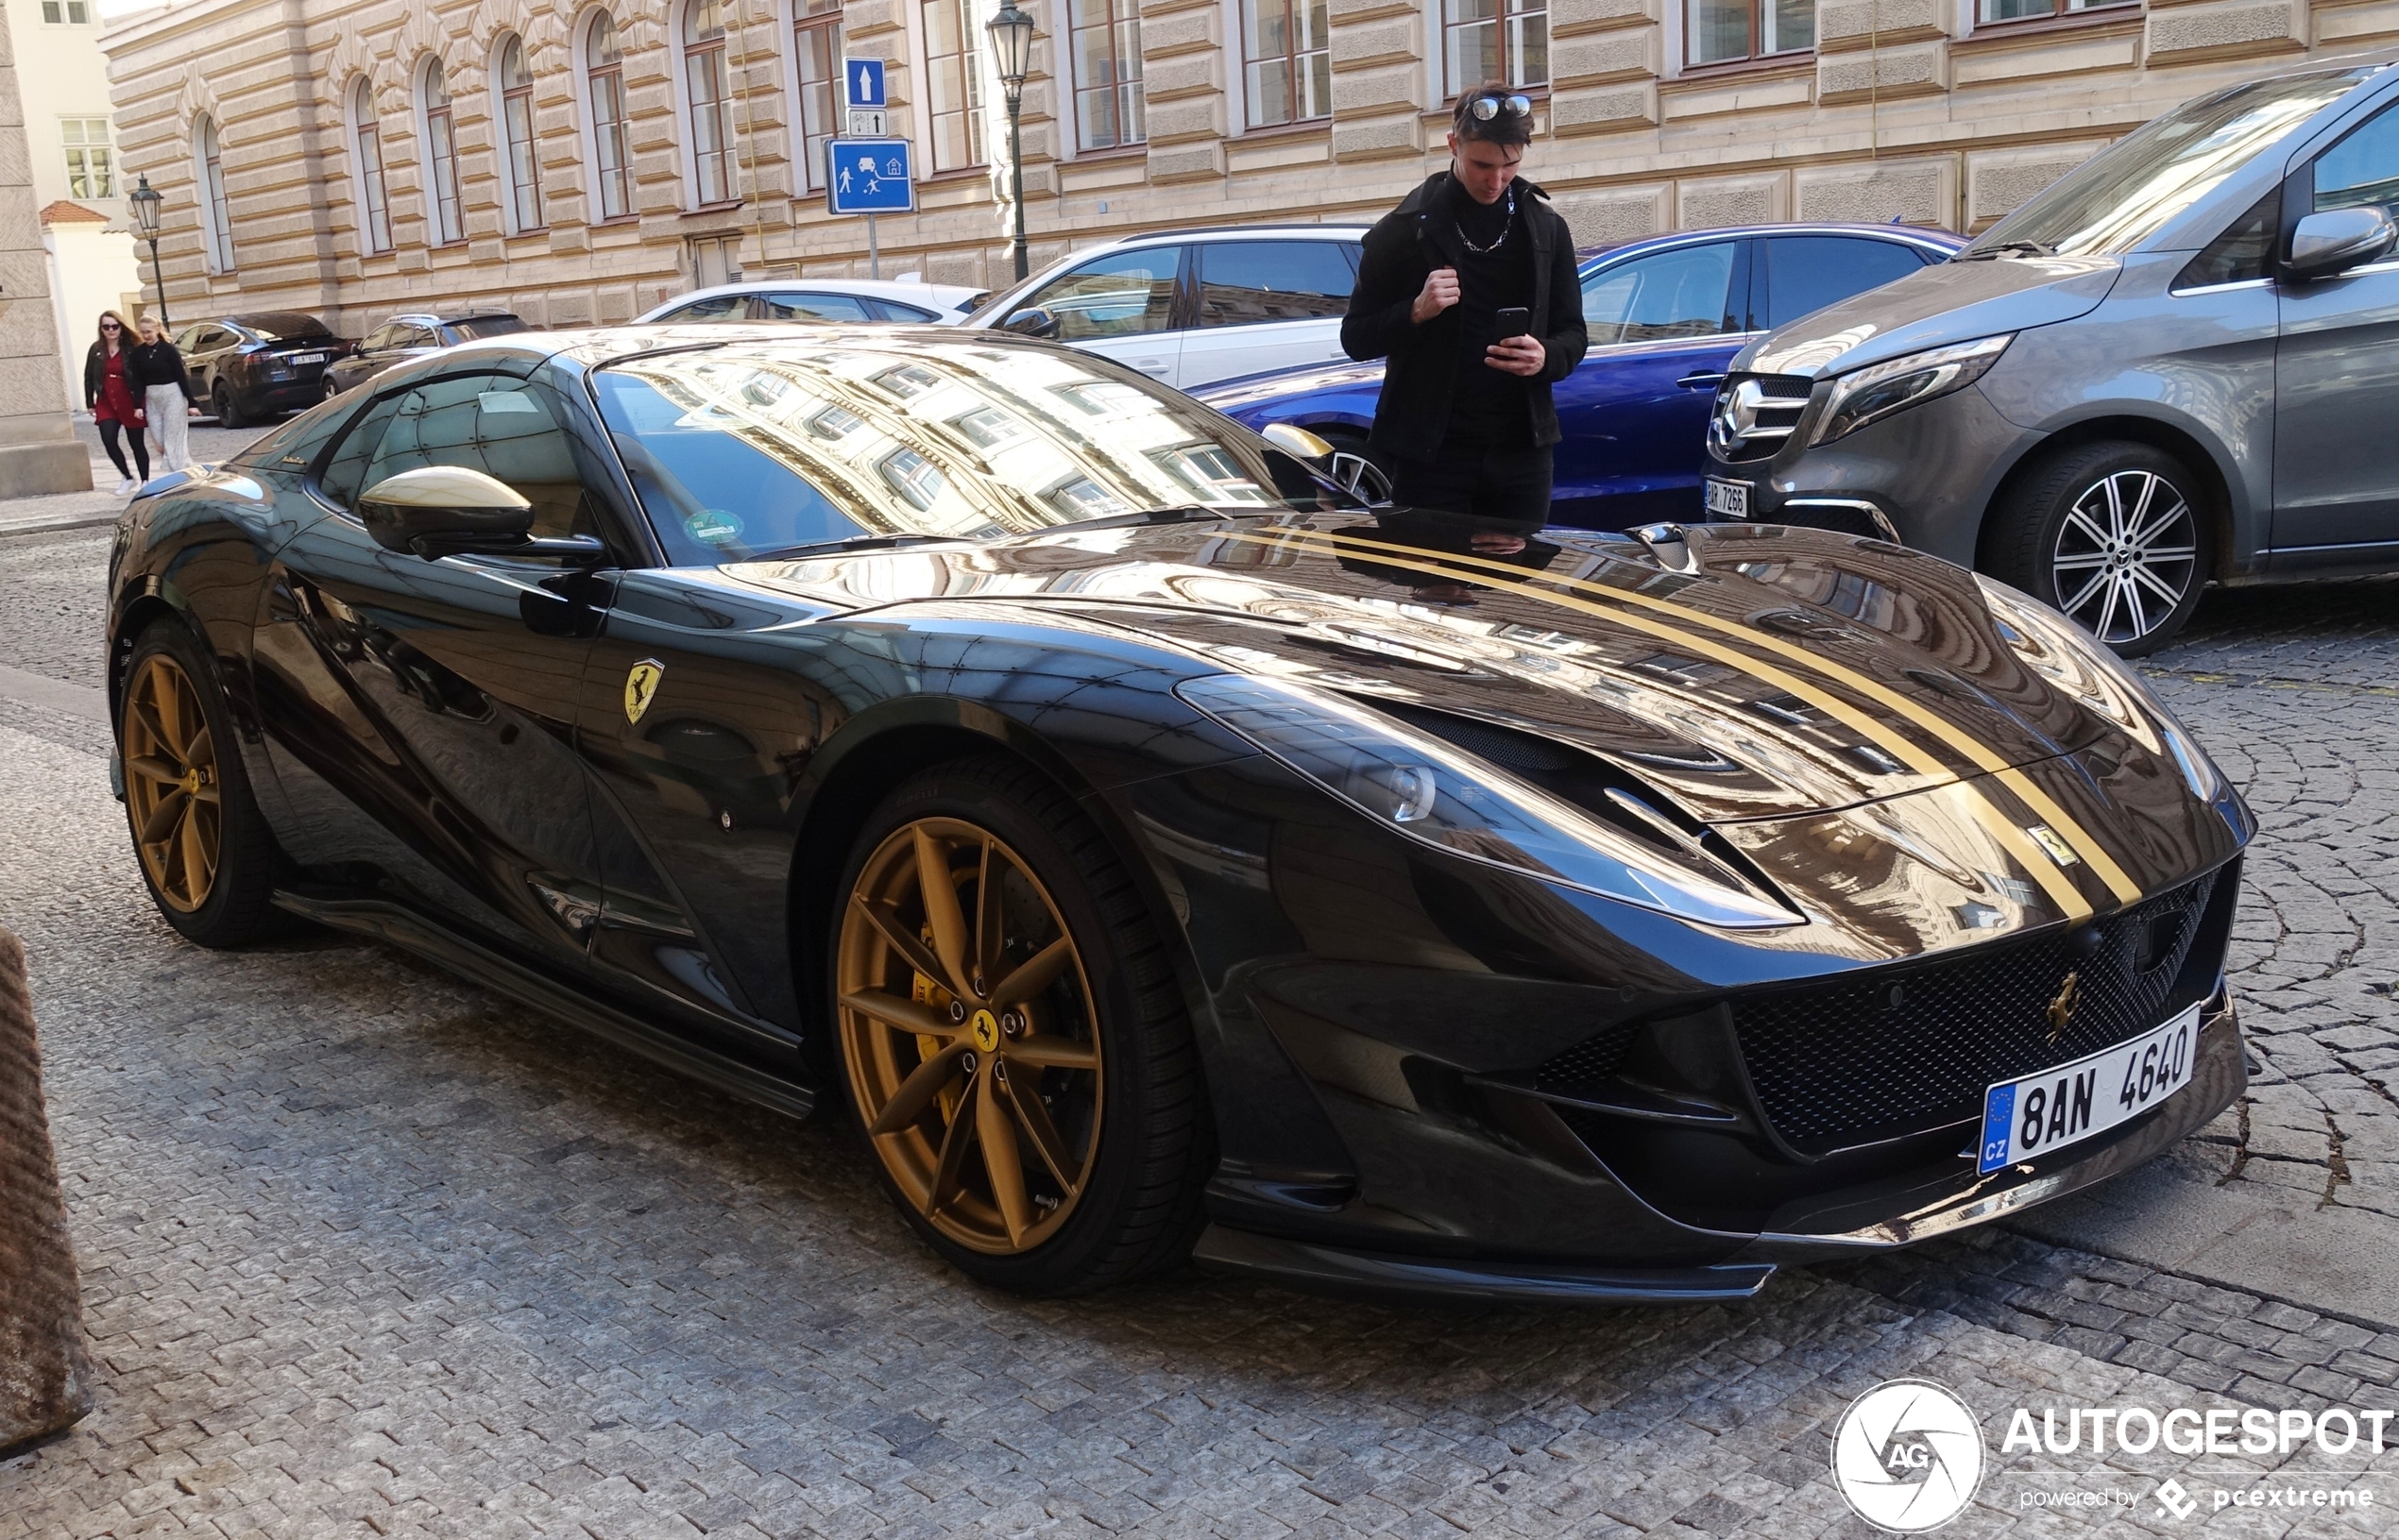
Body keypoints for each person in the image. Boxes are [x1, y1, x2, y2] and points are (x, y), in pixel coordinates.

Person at [1339, 86, 1589, 522]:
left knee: (1517, 587)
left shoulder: (1546, 227)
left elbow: (1574, 334)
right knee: (1434, 587)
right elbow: (1355, 337)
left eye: (1510, 165)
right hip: (1432, 456)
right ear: (1453, 145)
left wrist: (1546, 356)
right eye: (1482, 165)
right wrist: (1415, 310)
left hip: (1522, 453)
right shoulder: (1400, 231)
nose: (1496, 180)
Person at [83, 311, 149, 493]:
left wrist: (140, 403)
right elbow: (88, 376)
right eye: (106, 327)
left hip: (129, 399)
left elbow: (141, 376)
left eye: (115, 326)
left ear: (121, 327)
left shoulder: (132, 349)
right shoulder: (96, 349)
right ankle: (127, 477)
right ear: (101, 329)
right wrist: (90, 402)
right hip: (106, 400)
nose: (111, 330)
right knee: (108, 439)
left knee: (136, 443)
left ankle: (145, 480)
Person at [128, 316, 200, 473]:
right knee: (161, 443)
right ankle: (187, 470)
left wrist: (192, 403)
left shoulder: (169, 350)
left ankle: (176, 475)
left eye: (149, 332)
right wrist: (137, 405)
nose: (146, 335)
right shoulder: (137, 354)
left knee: (174, 440)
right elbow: (137, 380)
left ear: (157, 330)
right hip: (152, 398)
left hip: (173, 395)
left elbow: (181, 376)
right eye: (143, 332)